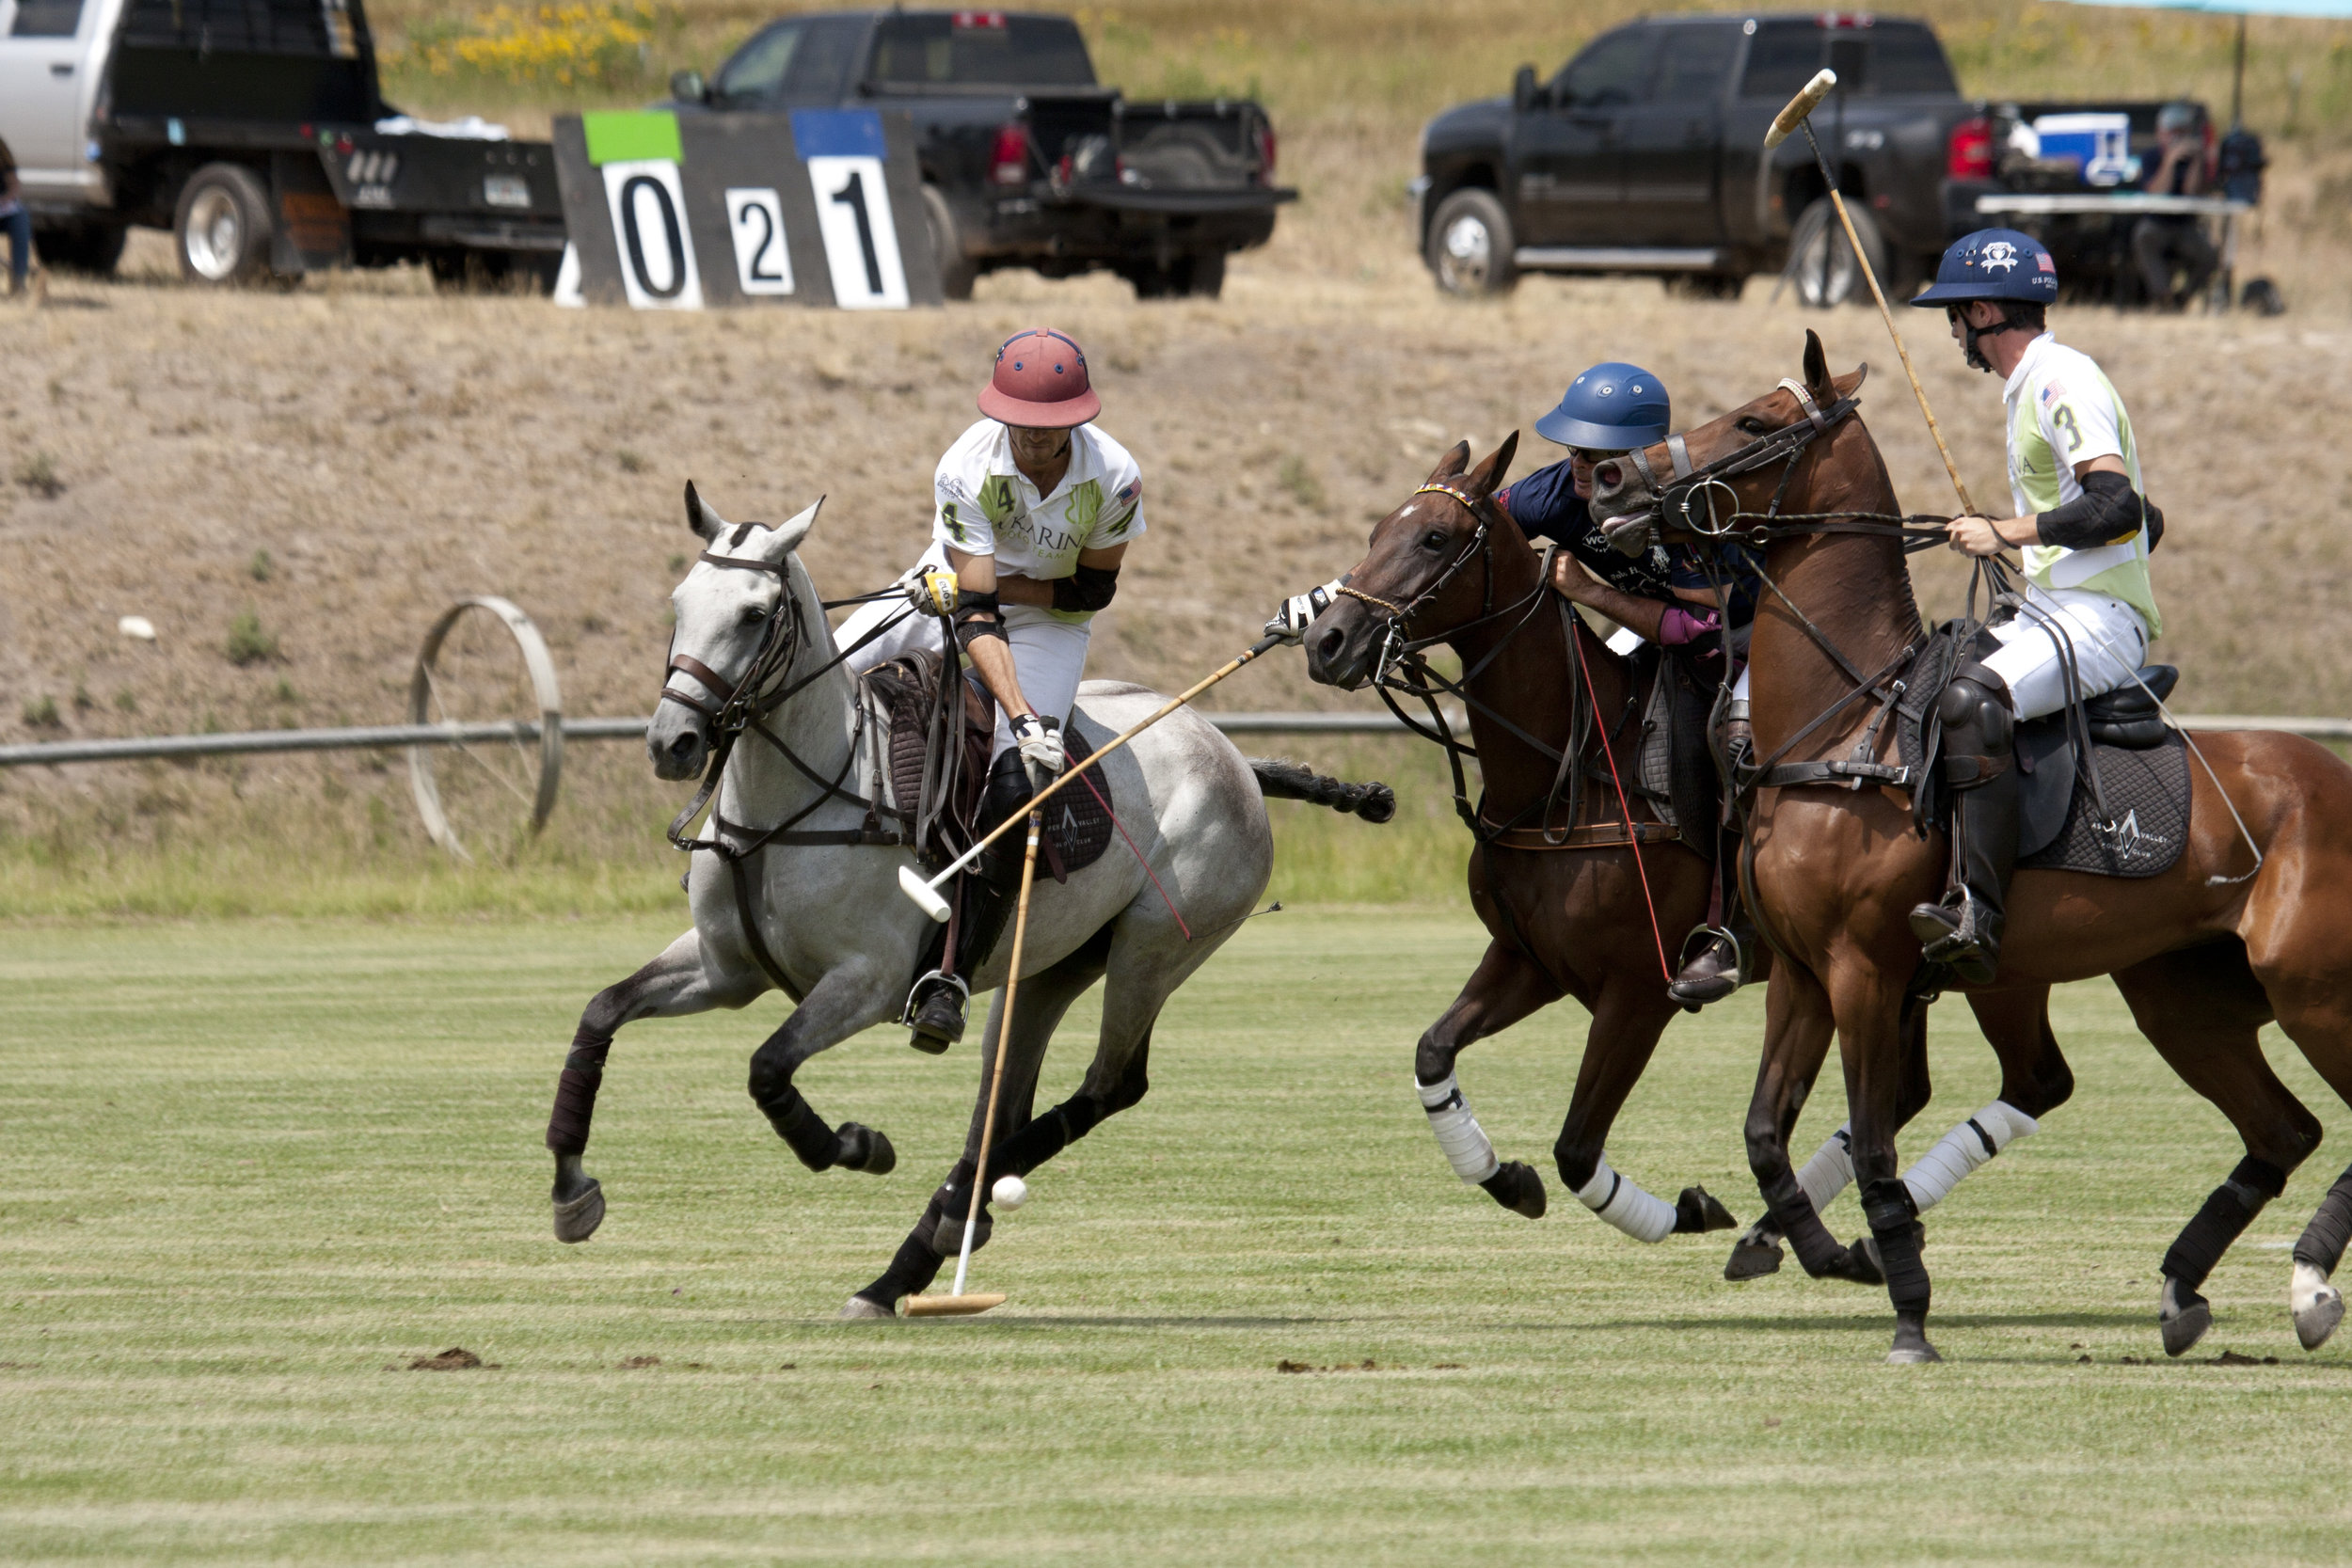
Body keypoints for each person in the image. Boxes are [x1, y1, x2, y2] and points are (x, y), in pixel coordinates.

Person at [1266, 362, 1764, 1005]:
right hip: (1657, 631)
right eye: (1573, 447)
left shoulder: (1688, 508)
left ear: (1641, 454)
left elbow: (1702, 626)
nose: (1581, 463)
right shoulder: (1553, 493)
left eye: (1599, 453)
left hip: (1745, 644)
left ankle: (1732, 928)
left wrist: (1590, 593)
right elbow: (1438, 536)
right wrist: (1327, 600)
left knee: (1732, 745)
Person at [835, 327, 1143, 1050]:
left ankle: (950, 976)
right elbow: (973, 613)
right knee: (833, 669)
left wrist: (1027, 722)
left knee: (1021, 777)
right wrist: (957, 593)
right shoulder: (965, 466)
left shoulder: (1117, 477)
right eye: (1020, 426)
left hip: (1053, 622)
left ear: (1078, 420)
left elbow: (1091, 589)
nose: (1032, 441)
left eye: (1049, 430)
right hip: (944, 586)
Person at [1906, 227, 2166, 982]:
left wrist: (2004, 530)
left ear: (1985, 312)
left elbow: (2118, 505)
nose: (1952, 329)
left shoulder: (2060, 380)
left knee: (1971, 698)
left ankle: (1978, 913)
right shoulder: (2029, 388)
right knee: (1928, 678)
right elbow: (2148, 519)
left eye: (1955, 313)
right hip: (2055, 608)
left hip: (2100, 620)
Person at [2132, 102, 2219, 310]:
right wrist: (2170, 161)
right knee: (2143, 238)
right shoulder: (2152, 157)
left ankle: (2184, 297)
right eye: (2173, 132)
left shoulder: (2195, 160)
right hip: (2157, 223)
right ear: (2161, 133)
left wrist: (2197, 161)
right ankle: (2164, 297)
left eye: (2182, 133)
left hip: (2185, 226)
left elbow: (2193, 192)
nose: (2177, 138)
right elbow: (2155, 191)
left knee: (2209, 257)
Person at [0, 135, 32, 300]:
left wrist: (5, 200)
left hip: (3, 209)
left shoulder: (1, 149)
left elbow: (14, 184)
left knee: (21, 219)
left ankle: (18, 280)